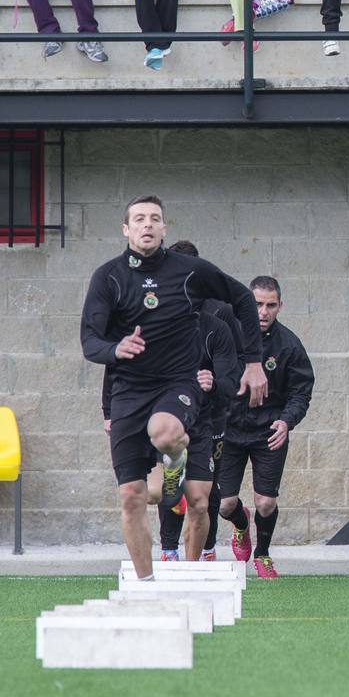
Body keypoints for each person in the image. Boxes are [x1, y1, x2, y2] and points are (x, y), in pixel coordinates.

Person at [80, 195, 266, 580]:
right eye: (139, 219)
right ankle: (148, 587)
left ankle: (174, 465)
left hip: (177, 384)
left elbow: (244, 298)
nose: (147, 225)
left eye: (155, 219)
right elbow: (89, 342)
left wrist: (252, 362)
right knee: (131, 497)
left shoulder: (189, 271)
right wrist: (116, 348)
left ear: (165, 228)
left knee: (166, 435)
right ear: (126, 229)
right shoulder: (108, 277)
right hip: (129, 391)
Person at [216, 276, 312, 578]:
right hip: (230, 431)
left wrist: (286, 421)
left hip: (269, 432)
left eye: (271, 305)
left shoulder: (289, 345)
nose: (263, 311)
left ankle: (263, 553)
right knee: (224, 504)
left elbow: (301, 392)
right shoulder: (226, 335)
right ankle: (241, 524)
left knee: (266, 503)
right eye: (257, 304)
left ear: (280, 306)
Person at [156, 240, 244, 563]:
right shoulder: (157, 313)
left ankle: (206, 551)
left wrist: (217, 384)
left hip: (213, 417)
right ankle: (168, 550)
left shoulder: (219, 314)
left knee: (206, 491)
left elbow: (233, 368)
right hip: (172, 418)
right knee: (167, 485)